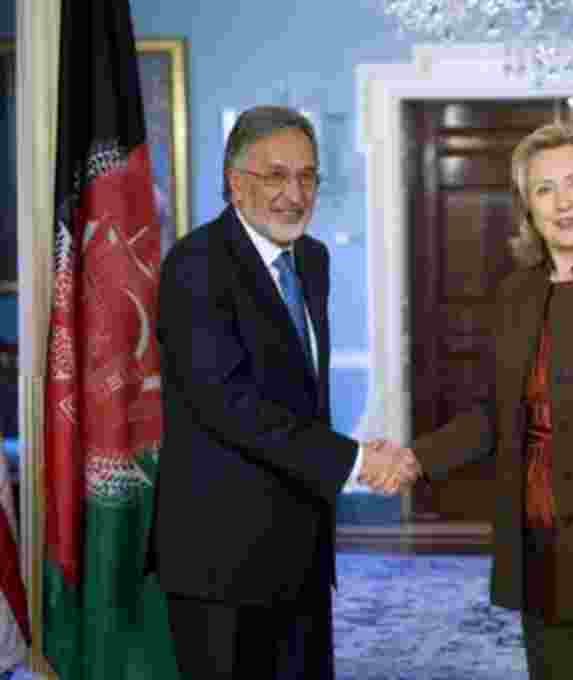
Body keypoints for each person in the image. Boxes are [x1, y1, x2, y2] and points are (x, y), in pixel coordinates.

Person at [366, 123, 573, 679]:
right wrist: (413, 459)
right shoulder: (515, 295)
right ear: (528, 207)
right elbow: (493, 417)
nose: (563, 202)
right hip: (540, 551)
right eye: (545, 189)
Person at [150, 105, 416, 680]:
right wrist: (355, 461)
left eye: (307, 176)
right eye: (275, 175)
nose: (294, 194)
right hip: (221, 559)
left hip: (302, 549)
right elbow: (229, 404)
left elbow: (299, 396)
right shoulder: (194, 267)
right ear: (234, 182)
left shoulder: (311, 260)